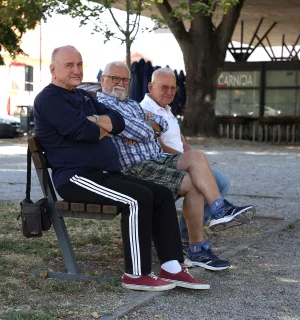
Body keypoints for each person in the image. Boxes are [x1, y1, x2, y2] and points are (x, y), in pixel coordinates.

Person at [33, 45, 209, 291]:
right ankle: (136, 274)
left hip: (102, 174)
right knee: (137, 198)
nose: (76, 70)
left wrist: (99, 122)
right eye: (69, 65)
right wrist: (99, 125)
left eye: (80, 64)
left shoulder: (84, 96)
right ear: (53, 69)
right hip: (75, 178)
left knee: (159, 193)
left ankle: (172, 266)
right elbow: (84, 131)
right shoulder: (49, 99)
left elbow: (118, 120)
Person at [97, 61, 255, 271]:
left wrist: (141, 129)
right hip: (137, 167)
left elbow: (159, 123)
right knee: (194, 184)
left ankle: (219, 209)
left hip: (156, 160)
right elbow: (144, 130)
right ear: (102, 80)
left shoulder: (131, 104)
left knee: (196, 157)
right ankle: (197, 249)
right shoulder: (102, 105)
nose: (120, 83)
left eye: (125, 79)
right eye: (114, 78)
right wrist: (144, 129)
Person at [140, 67, 230, 252]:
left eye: (173, 88)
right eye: (164, 87)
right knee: (209, 183)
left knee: (220, 181)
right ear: (151, 86)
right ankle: (191, 236)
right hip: (164, 164)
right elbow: (160, 147)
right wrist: (188, 162)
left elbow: (181, 140)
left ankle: (186, 235)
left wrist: (197, 161)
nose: (170, 92)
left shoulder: (167, 109)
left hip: (181, 160)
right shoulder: (145, 110)